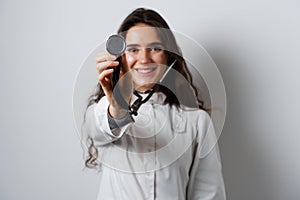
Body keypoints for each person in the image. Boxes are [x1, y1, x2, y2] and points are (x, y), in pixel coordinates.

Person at [82, 7, 226, 200]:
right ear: (120, 58)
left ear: (168, 56)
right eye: (133, 49)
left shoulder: (197, 121)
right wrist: (117, 106)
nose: (144, 59)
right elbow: (100, 130)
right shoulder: (101, 111)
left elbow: (209, 194)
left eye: (156, 48)